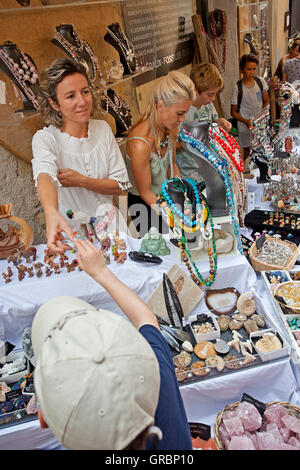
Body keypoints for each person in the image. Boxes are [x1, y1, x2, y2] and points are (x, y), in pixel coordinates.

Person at [32, 238, 193, 451]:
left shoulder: (158, 375)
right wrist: (101, 272)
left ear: (43, 419)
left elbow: (146, 321)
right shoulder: (159, 376)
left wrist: (100, 272)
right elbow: (146, 319)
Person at [31, 57, 131, 253]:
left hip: (114, 231)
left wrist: (82, 180)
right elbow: (44, 175)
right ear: (54, 103)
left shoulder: (102, 130)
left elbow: (119, 185)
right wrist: (51, 212)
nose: (82, 101)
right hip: (74, 238)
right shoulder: (45, 139)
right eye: (70, 96)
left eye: (85, 92)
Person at [125, 70, 196, 237]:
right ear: (161, 105)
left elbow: (173, 168)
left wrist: (183, 196)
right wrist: (173, 217)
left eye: (185, 113)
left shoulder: (168, 128)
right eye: (180, 113)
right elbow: (145, 193)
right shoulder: (140, 144)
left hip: (165, 199)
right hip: (144, 206)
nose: (183, 119)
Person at [176, 62, 232, 183]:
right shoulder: (181, 112)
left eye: (215, 94)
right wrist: (192, 141)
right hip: (190, 175)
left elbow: (212, 121)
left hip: (208, 169)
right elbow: (172, 147)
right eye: (210, 95)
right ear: (195, 91)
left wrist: (219, 123)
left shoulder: (207, 104)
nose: (213, 99)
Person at [231, 54, 269, 179]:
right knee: (247, 149)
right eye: (249, 69)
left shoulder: (260, 82)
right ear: (242, 70)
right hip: (245, 125)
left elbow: (266, 101)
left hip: (259, 123)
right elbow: (233, 112)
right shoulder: (238, 87)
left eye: (254, 69)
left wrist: (262, 116)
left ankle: (261, 170)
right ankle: (246, 170)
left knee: (260, 146)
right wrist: (246, 121)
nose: (252, 72)